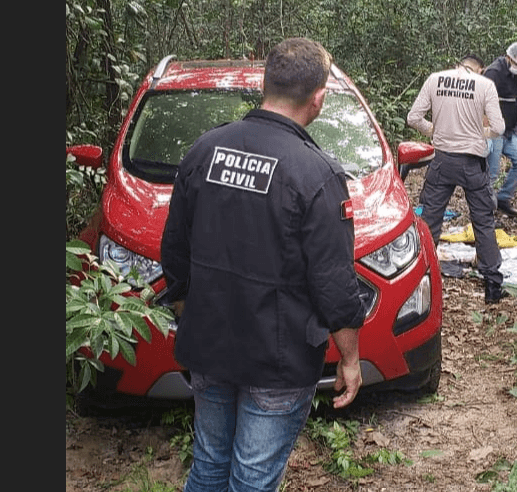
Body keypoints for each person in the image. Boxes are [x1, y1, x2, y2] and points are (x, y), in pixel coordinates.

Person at [157, 37, 366, 492]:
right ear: (318, 98)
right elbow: (334, 283)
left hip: (209, 345)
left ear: (263, 85)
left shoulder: (204, 150)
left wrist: (188, 312)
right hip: (278, 361)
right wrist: (350, 359)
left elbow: (173, 250)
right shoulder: (316, 173)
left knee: (209, 465)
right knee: (251, 479)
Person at [406, 55, 510, 304]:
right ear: (480, 70)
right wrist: (480, 132)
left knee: (430, 220)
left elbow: (413, 118)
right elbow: (499, 128)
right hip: (472, 163)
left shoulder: (435, 79)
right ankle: (492, 286)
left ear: (457, 65)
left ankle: (420, 282)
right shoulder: (485, 85)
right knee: (483, 222)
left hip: (442, 161)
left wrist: (435, 130)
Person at [483, 41, 517, 218]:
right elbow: (481, 103)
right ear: (509, 57)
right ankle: (484, 209)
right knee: (492, 171)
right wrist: (486, 133)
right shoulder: (493, 72)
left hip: (510, 129)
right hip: (494, 129)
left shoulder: (516, 75)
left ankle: (503, 198)